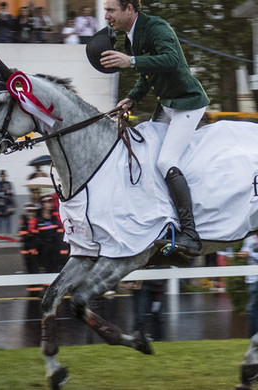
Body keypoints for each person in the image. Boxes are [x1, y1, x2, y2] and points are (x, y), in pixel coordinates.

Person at [100, 0, 210, 256]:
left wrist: (132, 61)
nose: (106, 16)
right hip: (168, 104)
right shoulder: (132, 34)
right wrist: (133, 97)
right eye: (106, 11)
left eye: (111, 10)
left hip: (187, 104)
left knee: (165, 162)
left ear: (130, 9)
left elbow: (171, 60)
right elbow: (149, 75)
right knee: (144, 155)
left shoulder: (157, 27)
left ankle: (191, 235)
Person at [236, 234, 258, 337]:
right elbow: (246, 247)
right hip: (251, 278)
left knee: (256, 310)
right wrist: (244, 251)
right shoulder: (250, 236)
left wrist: (249, 254)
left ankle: (256, 337)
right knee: (256, 311)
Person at [0, 170, 15, 234]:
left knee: (8, 221)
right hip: (0, 205)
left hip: (8, 204)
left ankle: (8, 234)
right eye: (1, 175)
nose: (3, 176)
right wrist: (4, 193)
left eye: (4, 175)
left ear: (5, 176)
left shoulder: (9, 184)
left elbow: (11, 193)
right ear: (0, 176)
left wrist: (4, 193)